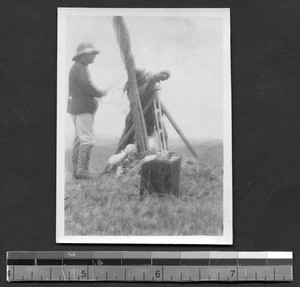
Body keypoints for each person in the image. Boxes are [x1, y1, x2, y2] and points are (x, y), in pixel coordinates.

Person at [67, 42, 107, 179]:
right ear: (84, 56)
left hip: (77, 106)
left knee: (79, 139)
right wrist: (100, 93)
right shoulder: (79, 68)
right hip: (83, 107)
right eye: (92, 54)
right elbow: (87, 85)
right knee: (87, 139)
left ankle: (77, 171)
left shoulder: (77, 67)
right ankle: (82, 171)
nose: (94, 57)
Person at [117, 68, 170, 153]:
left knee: (163, 136)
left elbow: (167, 73)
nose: (146, 83)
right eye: (144, 82)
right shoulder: (133, 92)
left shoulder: (147, 87)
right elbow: (138, 101)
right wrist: (150, 89)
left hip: (149, 121)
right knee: (129, 145)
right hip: (135, 121)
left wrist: (162, 75)